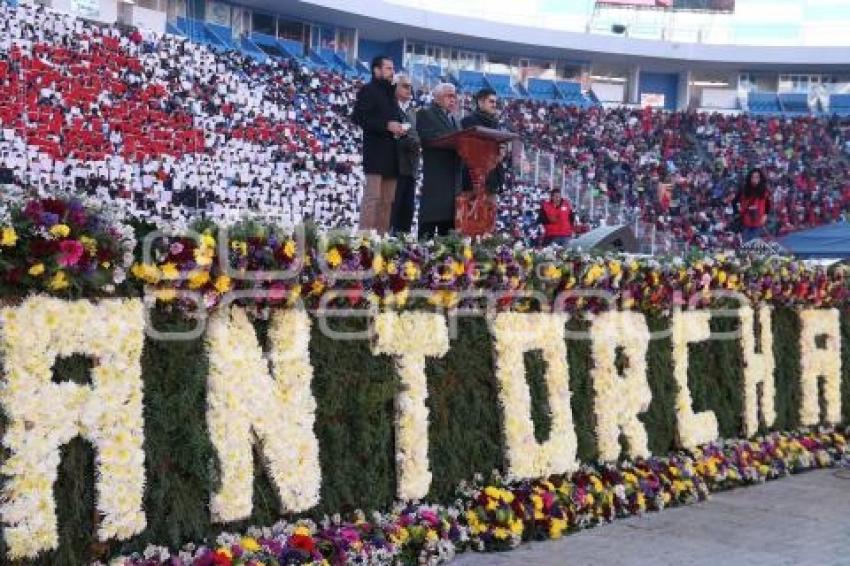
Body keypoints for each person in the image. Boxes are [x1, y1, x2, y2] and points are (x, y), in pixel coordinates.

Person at [351, 55, 404, 233]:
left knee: (387, 202)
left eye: (392, 69)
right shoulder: (368, 90)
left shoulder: (391, 95)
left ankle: (381, 242)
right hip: (375, 155)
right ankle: (364, 240)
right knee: (372, 199)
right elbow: (358, 117)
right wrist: (386, 125)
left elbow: (392, 121)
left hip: (392, 155)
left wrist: (399, 128)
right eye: (388, 68)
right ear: (376, 70)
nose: (392, 72)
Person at [416, 82, 462, 238]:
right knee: (428, 227)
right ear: (436, 97)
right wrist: (454, 142)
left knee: (448, 229)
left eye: (454, 96)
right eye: (449, 96)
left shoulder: (455, 120)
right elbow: (428, 137)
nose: (453, 100)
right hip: (436, 177)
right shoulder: (425, 113)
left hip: (453, 178)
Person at [460, 88, 506, 197]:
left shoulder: (496, 124)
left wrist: (501, 151)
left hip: (492, 181)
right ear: (480, 102)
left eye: (495, 102)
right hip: (472, 182)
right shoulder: (467, 122)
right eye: (491, 101)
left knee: (490, 212)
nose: (494, 105)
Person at [390, 74, 419, 234]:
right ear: (395, 87)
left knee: (407, 212)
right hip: (395, 167)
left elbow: (415, 135)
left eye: (410, 86)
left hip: (411, 168)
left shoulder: (412, 112)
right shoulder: (389, 107)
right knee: (392, 213)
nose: (410, 89)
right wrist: (414, 141)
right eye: (405, 86)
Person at [733, 168, 772, 242]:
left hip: (758, 222)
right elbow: (734, 202)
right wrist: (737, 213)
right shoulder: (743, 189)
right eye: (753, 177)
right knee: (747, 244)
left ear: (760, 178)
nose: (755, 179)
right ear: (750, 178)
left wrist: (765, 215)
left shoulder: (764, 190)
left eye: (757, 177)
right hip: (746, 222)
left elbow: (768, 205)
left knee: (754, 244)